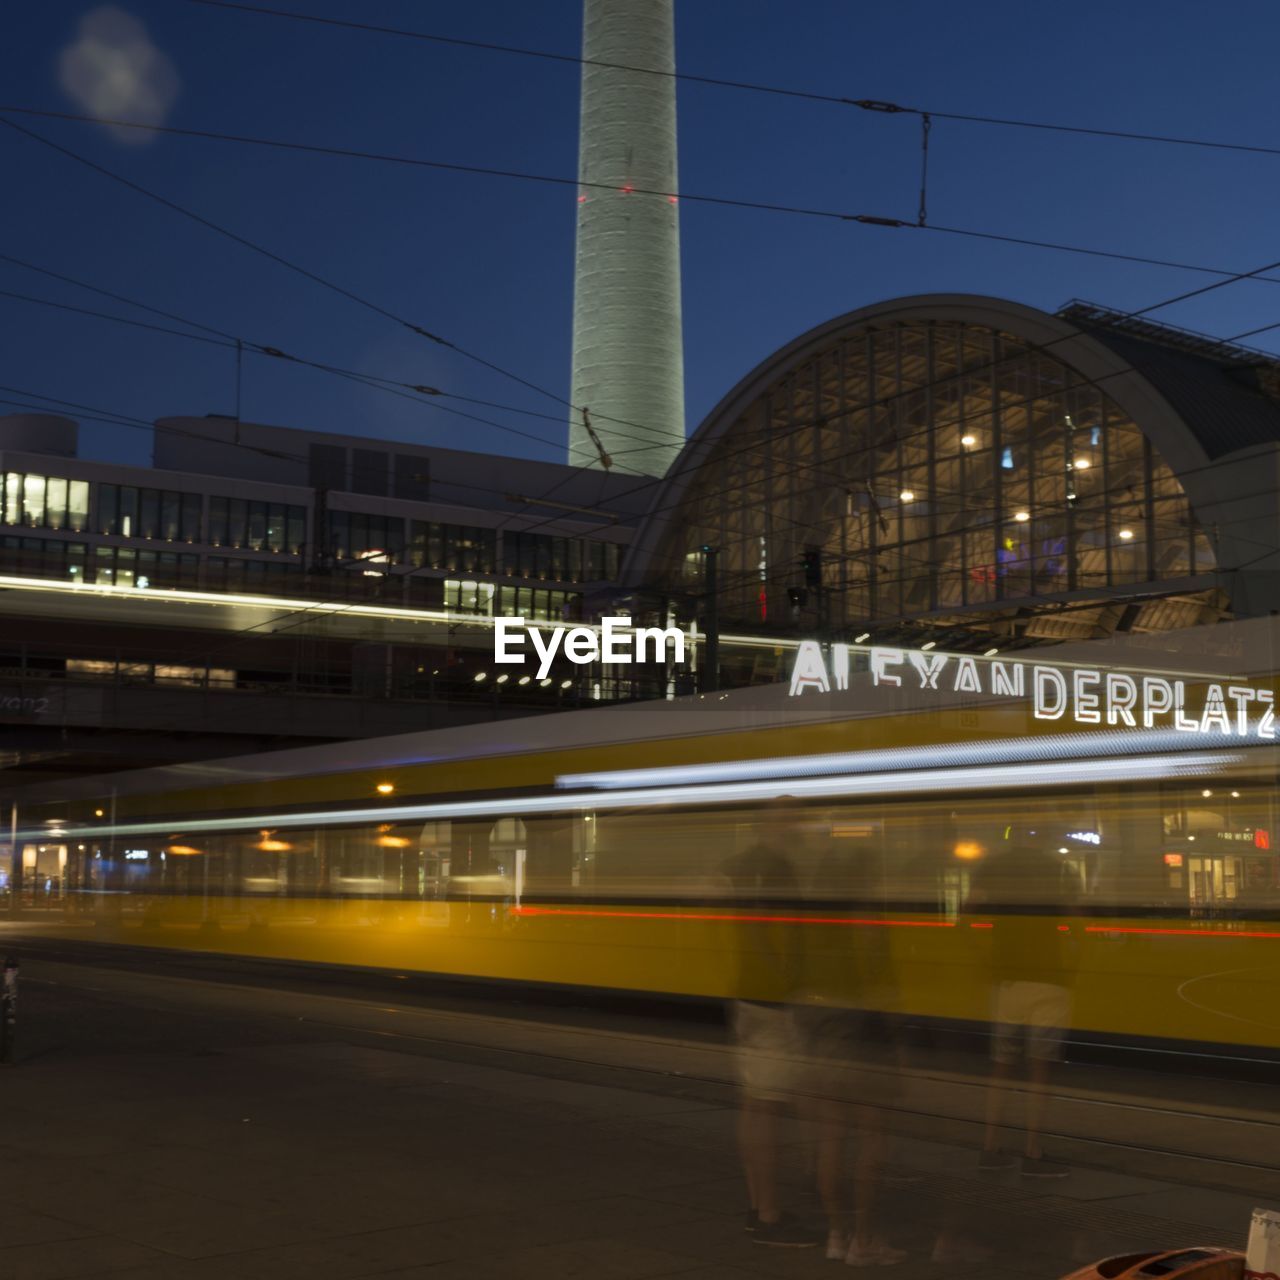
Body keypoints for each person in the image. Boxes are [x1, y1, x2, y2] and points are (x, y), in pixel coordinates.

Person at [721, 805, 815, 1249]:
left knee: (755, 1107)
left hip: (746, 993)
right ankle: (769, 1217)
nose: (800, 827)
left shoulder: (740, 864)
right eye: (793, 820)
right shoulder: (773, 866)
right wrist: (783, 980)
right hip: (769, 1000)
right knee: (768, 1110)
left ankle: (759, 1206)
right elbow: (763, 928)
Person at [967, 831, 1076, 1178]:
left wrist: (984, 957)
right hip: (1048, 978)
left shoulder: (991, 867)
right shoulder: (1059, 868)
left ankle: (989, 1146)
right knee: (1039, 1070)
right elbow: (1076, 920)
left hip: (1007, 980)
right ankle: (1032, 1150)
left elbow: (967, 912)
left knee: (1001, 1068)